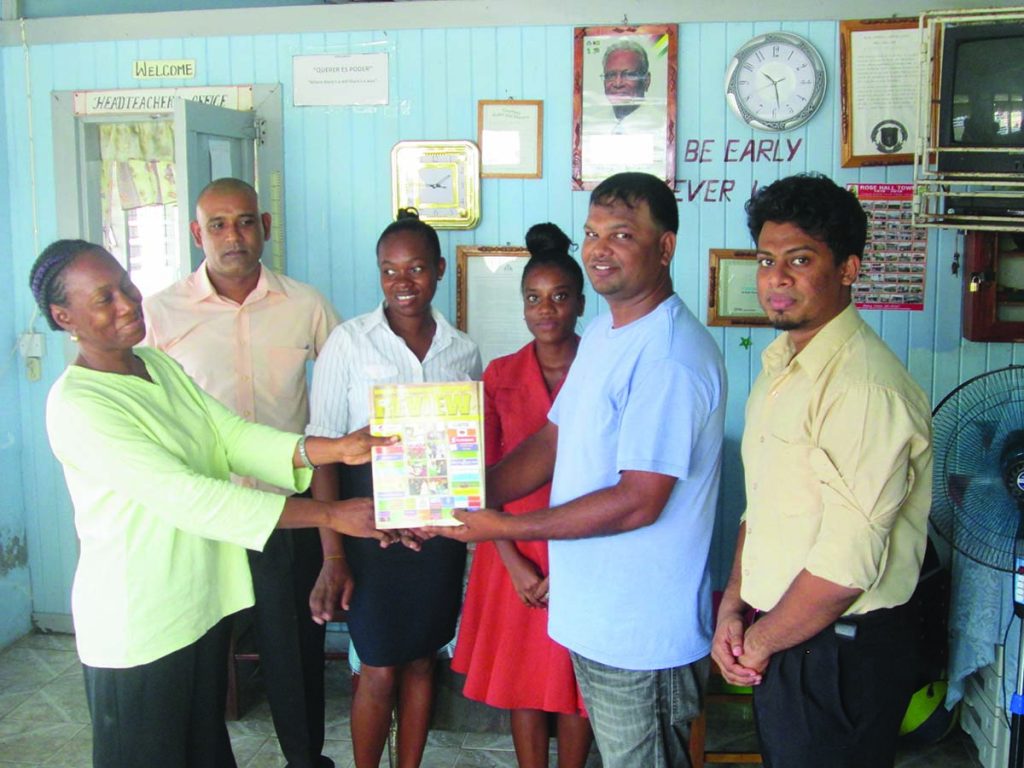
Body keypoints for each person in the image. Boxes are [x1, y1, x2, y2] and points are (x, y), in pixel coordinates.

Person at [28, 240, 397, 768]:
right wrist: (327, 513)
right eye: (104, 299)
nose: (129, 304)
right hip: (140, 624)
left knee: (203, 750)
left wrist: (333, 448)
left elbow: (229, 437)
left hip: (197, 607)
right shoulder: (79, 404)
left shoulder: (156, 366)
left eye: (127, 287)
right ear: (65, 318)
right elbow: (189, 498)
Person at [433, 172, 726, 768]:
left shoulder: (668, 356)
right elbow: (551, 440)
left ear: (665, 247)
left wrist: (504, 529)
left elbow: (639, 500)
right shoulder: (603, 335)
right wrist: (458, 494)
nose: (599, 248)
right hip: (594, 617)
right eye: (593, 232)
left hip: (640, 633)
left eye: (622, 234)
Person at [710, 173, 932, 768]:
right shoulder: (783, 365)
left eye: (800, 259)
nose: (776, 279)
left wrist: (756, 641)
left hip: (839, 653)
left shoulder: (863, 388)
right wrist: (734, 605)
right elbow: (765, 509)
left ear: (849, 269)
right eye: (766, 259)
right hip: (784, 634)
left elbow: (843, 569)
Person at [143, 177, 339, 768]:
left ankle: (306, 761)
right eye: (220, 224)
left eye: (246, 221)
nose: (235, 236)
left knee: (294, 655)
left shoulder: (306, 304)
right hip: (204, 519)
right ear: (196, 233)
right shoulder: (159, 313)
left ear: (267, 227)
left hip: (288, 512)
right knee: (199, 656)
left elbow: (336, 402)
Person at [306, 208, 481, 768]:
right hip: (368, 526)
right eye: (389, 271)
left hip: (435, 530)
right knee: (378, 664)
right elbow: (323, 450)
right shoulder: (348, 342)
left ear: (438, 272)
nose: (402, 283)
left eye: (416, 269)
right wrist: (333, 551)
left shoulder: (463, 350)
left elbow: (466, 447)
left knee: (424, 659)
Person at [451, 223, 593, 768]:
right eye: (533, 298)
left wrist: (576, 562)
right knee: (522, 679)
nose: (546, 309)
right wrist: (510, 561)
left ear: (581, 303)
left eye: (559, 297)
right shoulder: (499, 374)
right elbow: (479, 476)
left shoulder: (602, 367)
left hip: (582, 541)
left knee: (574, 678)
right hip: (510, 546)